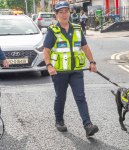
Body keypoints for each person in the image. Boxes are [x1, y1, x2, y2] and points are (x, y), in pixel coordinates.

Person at [43, 1, 99, 137]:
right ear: (56, 15)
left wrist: (92, 62)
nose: (64, 14)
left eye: (66, 11)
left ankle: (88, 125)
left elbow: (85, 47)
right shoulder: (53, 31)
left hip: (76, 71)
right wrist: (49, 66)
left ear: (69, 12)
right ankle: (59, 120)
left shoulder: (77, 28)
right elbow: (46, 51)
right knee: (61, 97)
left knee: (80, 97)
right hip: (59, 72)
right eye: (60, 12)